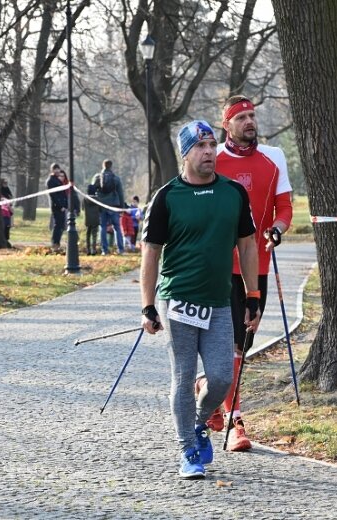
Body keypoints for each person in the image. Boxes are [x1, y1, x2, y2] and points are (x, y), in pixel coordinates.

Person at [140, 120, 262, 479]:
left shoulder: (233, 193)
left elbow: (247, 244)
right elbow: (150, 253)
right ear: (186, 154)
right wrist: (148, 305)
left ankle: (196, 421)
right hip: (177, 299)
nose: (209, 152)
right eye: (201, 146)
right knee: (183, 375)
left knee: (222, 377)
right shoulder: (167, 197)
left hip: (219, 300)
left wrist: (252, 294)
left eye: (212, 145)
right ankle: (188, 450)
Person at [197, 95, 293, 452]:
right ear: (228, 125)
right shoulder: (212, 159)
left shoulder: (274, 159)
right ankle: (236, 419)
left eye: (253, 116)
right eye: (242, 117)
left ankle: (209, 389)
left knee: (246, 340)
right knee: (232, 341)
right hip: (220, 266)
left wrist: (278, 229)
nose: (250, 122)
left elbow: (284, 207)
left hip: (259, 264)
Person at [90, 160, 126, 255]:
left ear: (103, 166)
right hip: (113, 205)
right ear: (111, 166)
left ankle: (104, 250)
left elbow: (91, 191)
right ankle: (120, 249)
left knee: (103, 227)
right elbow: (120, 194)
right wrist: (121, 207)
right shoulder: (116, 179)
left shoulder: (97, 177)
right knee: (117, 228)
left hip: (102, 206)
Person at [46, 164, 78, 251]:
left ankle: (57, 243)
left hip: (62, 206)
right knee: (57, 225)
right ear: (52, 170)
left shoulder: (57, 180)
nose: (57, 171)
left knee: (60, 226)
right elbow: (54, 196)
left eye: (58, 169)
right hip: (57, 207)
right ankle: (55, 243)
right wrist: (60, 206)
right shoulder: (51, 181)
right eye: (55, 169)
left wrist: (65, 205)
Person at [83, 184, 100, 255]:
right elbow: (100, 208)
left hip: (87, 219)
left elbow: (83, 208)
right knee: (94, 235)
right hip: (95, 219)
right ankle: (94, 249)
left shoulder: (85, 199)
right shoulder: (97, 199)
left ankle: (88, 250)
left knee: (88, 235)